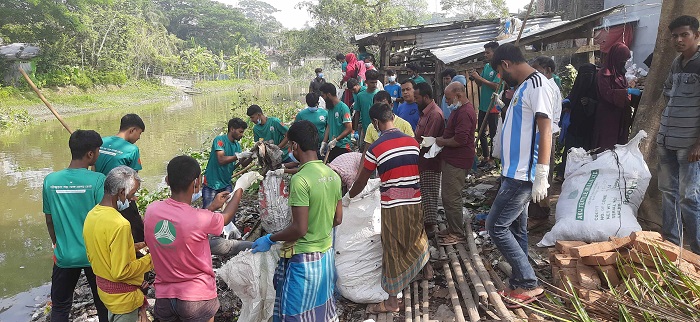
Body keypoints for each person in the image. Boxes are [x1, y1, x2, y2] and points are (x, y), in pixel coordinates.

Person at [144, 156, 261, 322]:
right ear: (197, 183)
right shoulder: (199, 219)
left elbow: (184, 224)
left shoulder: (152, 211)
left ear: (168, 180)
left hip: (164, 298)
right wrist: (240, 188)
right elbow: (226, 218)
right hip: (197, 298)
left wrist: (212, 207)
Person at [251, 120, 342, 321]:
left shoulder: (300, 180)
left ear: (295, 146)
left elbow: (299, 229)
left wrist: (271, 239)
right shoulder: (332, 175)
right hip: (326, 256)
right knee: (319, 311)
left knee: (295, 314)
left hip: (304, 261)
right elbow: (338, 218)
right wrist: (320, 225)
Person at [346, 103, 430, 314]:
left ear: (375, 123)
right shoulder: (412, 142)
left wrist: (348, 197)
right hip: (414, 198)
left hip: (393, 203)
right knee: (416, 234)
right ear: (392, 116)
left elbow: (361, 181)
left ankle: (392, 301)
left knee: (392, 246)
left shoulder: (375, 148)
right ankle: (425, 269)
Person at [486, 43, 553, 306]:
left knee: (496, 226)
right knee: (516, 227)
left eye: (501, 73)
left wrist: (542, 173)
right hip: (513, 170)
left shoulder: (537, 85)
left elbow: (545, 130)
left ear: (505, 64)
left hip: (523, 174)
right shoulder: (525, 86)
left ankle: (527, 282)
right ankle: (519, 282)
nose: (502, 79)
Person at [43, 129, 108, 322]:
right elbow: (103, 220)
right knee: (103, 304)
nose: (99, 154)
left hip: (65, 256)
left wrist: (56, 243)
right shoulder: (98, 180)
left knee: (61, 307)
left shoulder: (50, 181)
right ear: (90, 154)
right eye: (98, 151)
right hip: (93, 256)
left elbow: (49, 219)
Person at [83, 166, 152, 322]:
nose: (134, 199)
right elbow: (121, 272)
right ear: (121, 192)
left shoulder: (92, 214)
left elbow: (100, 250)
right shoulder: (120, 224)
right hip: (123, 300)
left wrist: (132, 247)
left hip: (105, 293)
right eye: (132, 194)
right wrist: (152, 259)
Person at [658, 15, 700, 253]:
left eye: (684, 34)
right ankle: (672, 245)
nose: (679, 40)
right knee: (667, 192)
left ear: (697, 35)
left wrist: (698, 144)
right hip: (666, 138)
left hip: (689, 144)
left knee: (689, 198)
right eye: (675, 36)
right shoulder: (676, 62)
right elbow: (667, 92)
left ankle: (697, 251)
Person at [435, 81, 476, 245]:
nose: (446, 102)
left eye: (448, 98)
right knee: (448, 195)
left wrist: (440, 141)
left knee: (452, 197)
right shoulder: (459, 110)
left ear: (458, 96)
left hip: (458, 160)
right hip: (452, 158)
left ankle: (457, 233)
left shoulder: (465, 112)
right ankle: (453, 227)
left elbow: (460, 139)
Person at [94, 113, 146, 243]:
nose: (139, 137)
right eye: (139, 133)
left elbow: (93, 170)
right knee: (136, 230)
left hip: (100, 195)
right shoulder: (132, 149)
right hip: (120, 195)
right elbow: (133, 179)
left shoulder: (101, 142)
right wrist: (132, 197)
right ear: (132, 130)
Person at [592, 42, 639, 151]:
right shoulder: (604, 73)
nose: (624, 63)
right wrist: (626, 91)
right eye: (623, 60)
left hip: (621, 116)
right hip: (608, 117)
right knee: (607, 146)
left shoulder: (620, 74)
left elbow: (625, 91)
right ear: (616, 58)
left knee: (620, 146)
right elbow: (605, 93)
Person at [413, 82, 445, 237]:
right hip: (422, 159)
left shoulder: (434, 114)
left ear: (426, 97)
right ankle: (426, 224)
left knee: (429, 193)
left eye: (417, 97)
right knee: (424, 192)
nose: (415, 100)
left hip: (430, 160)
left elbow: (427, 141)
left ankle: (430, 227)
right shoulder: (426, 113)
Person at [559, 63, 598, 179]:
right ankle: (563, 174)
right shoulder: (577, 88)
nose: (587, 77)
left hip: (589, 127)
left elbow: (599, 104)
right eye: (584, 74)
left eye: (590, 74)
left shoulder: (596, 89)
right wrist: (567, 105)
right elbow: (571, 98)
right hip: (574, 125)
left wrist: (590, 102)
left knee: (586, 152)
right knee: (570, 150)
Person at [202, 118, 250, 209]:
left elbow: (243, 164)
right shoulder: (220, 140)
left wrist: (251, 156)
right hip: (212, 182)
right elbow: (221, 160)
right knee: (207, 210)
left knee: (230, 210)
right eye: (240, 132)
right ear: (232, 129)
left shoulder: (237, 146)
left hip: (226, 182)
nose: (242, 135)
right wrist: (238, 156)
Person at [470, 42, 502, 168]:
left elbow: (496, 85)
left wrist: (480, 78)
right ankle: (486, 157)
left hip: (493, 106)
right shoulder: (487, 66)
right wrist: (475, 77)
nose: (485, 54)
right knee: (481, 131)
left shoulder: (499, 68)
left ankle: (494, 160)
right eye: (485, 52)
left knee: (493, 134)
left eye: (488, 52)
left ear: (495, 52)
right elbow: (480, 84)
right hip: (483, 105)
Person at [320, 83, 353, 162]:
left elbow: (349, 128)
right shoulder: (330, 109)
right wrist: (324, 142)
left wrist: (336, 140)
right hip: (332, 146)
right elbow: (329, 125)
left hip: (343, 146)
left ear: (328, 95)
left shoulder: (343, 107)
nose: (323, 99)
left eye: (323, 96)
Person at [353, 70, 381, 151]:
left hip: (378, 129)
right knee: (363, 150)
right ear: (366, 82)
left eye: (376, 82)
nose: (374, 85)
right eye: (372, 82)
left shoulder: (379, 94)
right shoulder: (360, 96)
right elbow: (357, 113)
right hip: (365, 129)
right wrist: (356, 131)